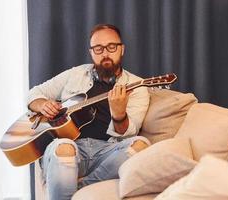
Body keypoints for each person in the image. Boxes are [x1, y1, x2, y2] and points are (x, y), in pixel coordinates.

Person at [27, 24, 151, 200]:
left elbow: (128, 132)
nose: (105, 53)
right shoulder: (76, 74)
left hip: (107, 151)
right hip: (69, 144)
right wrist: (41, 104)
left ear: (121, 49)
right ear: (91, 52)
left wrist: (119, 114)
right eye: (98, 48)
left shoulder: (137, 86)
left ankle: (78, 188)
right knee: (64, 148)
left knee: (141, 144)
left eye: (111, 47)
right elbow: (34, 93)